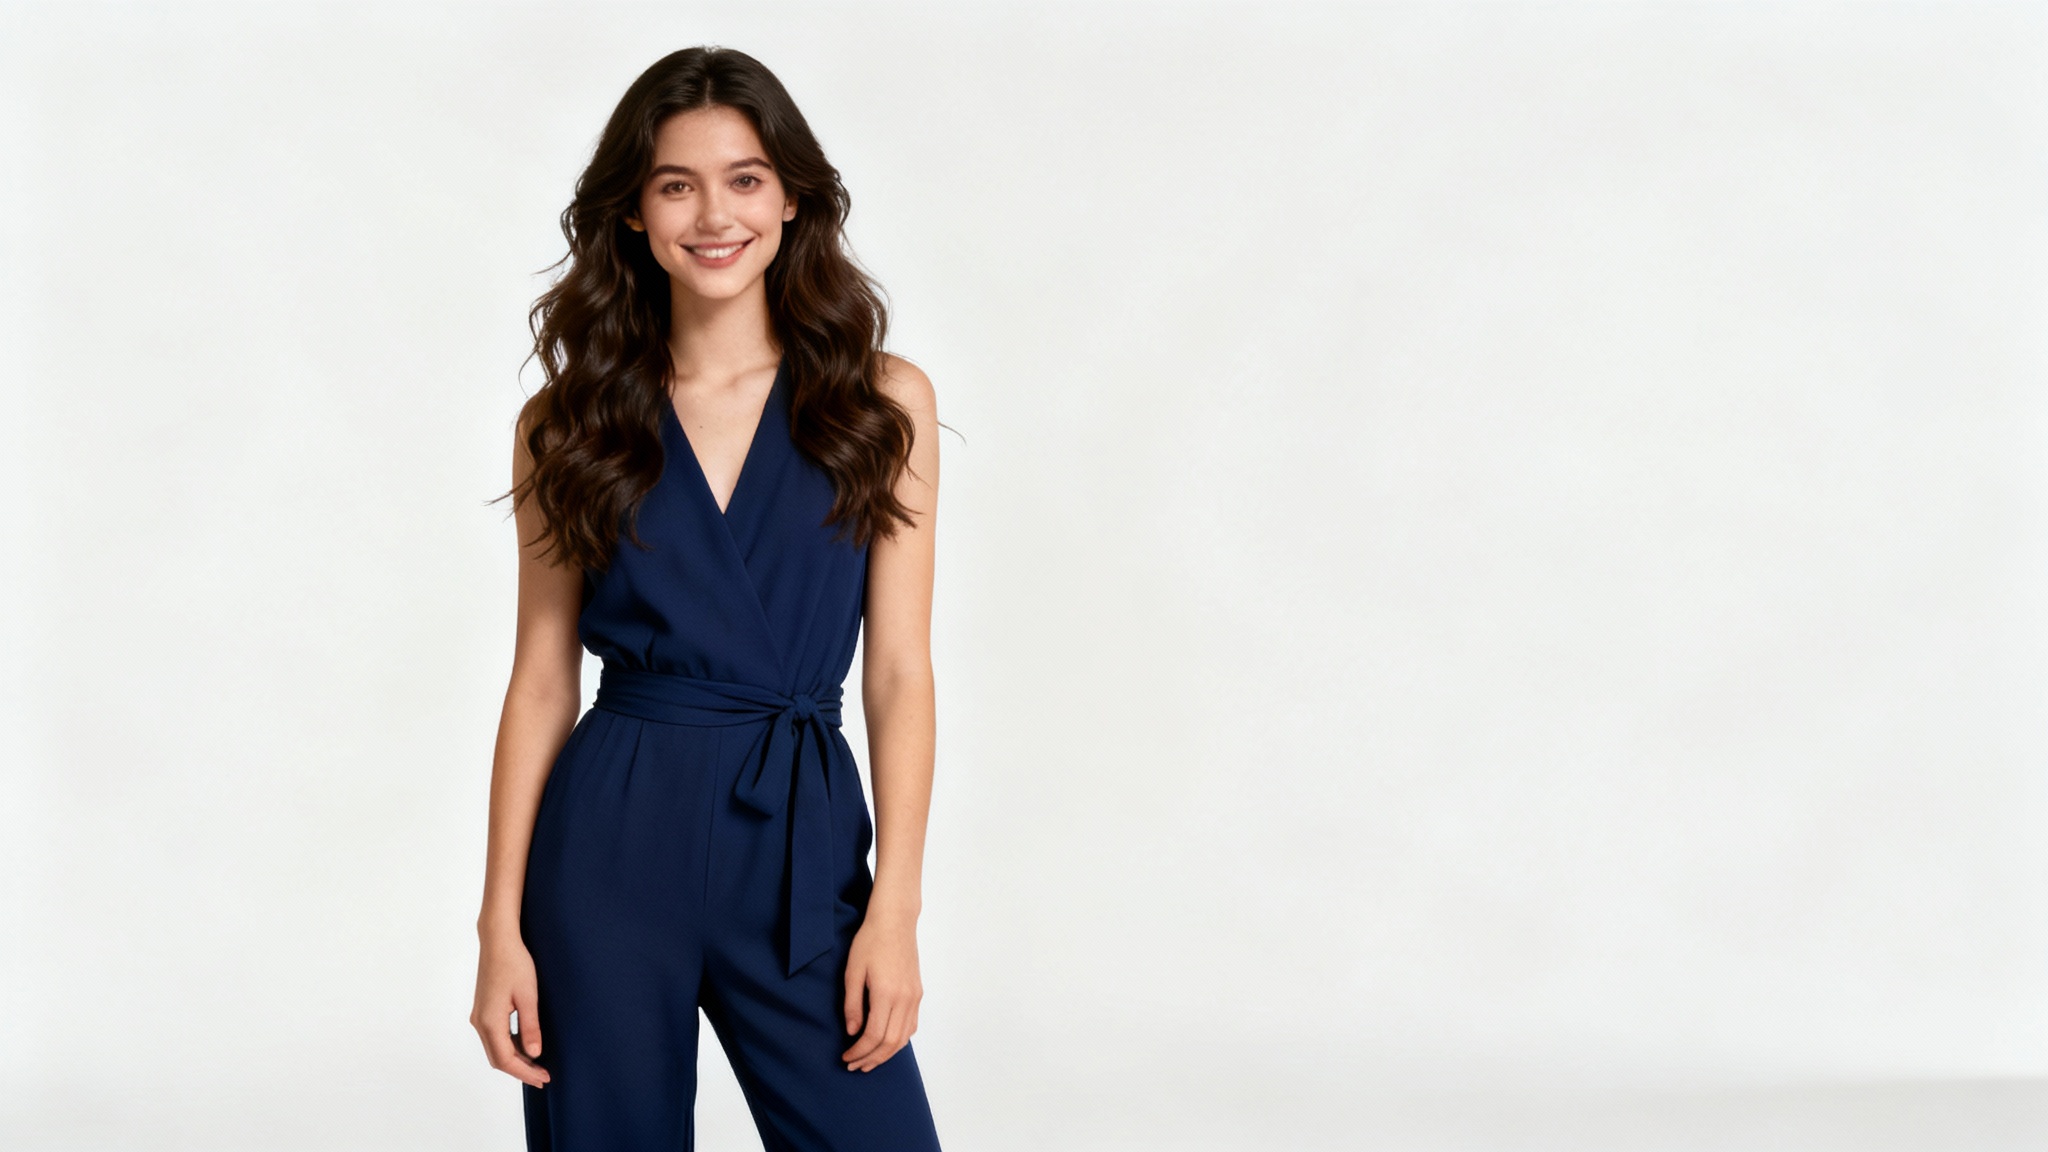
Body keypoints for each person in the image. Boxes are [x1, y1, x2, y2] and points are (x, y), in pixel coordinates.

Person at [469, 46, 946, 1151]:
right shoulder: (567, 422)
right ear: (633, 213)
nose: (712, 213)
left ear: (790, 196)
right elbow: (541, 678)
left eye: (743, 178)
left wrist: (895, 910)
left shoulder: (882, 403)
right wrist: (499, 921)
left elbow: (898, 670)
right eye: (675, 183)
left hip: (798, 847)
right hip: (608, 846)